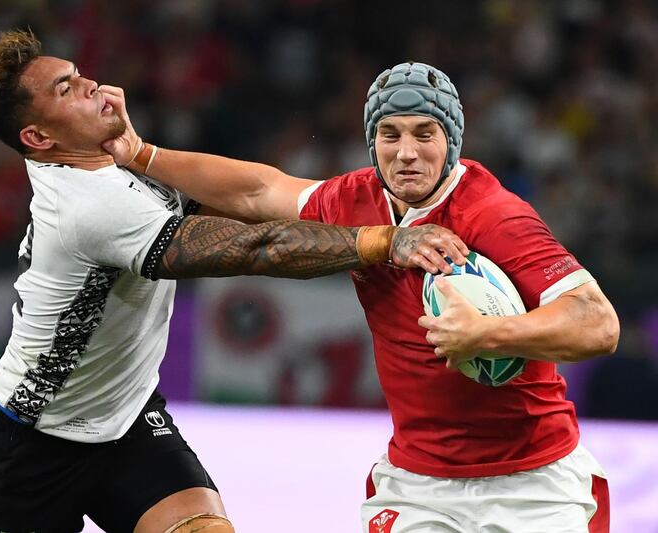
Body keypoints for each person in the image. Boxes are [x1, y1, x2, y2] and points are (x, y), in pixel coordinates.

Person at [0, 32, 470, 533]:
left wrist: (141, 152)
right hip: (26, 452)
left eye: (79, 74)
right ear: (38, 138)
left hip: (126, 419)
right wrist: (381, 241)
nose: (91, 84)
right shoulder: (87, 207)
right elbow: (256, 248)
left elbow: (249, 198)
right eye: (65, 88)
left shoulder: (117, 164)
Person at [105, 62, 620, 532]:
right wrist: (142, 153)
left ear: (453, 141)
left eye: (425, 134)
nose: (406, 152)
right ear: (371, 141)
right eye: (389, 135)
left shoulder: (495, 215)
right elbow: (259, 191)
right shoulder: (354, 199)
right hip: (419, 487)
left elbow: (598, 324)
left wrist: (487, 334)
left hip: (532, 484)